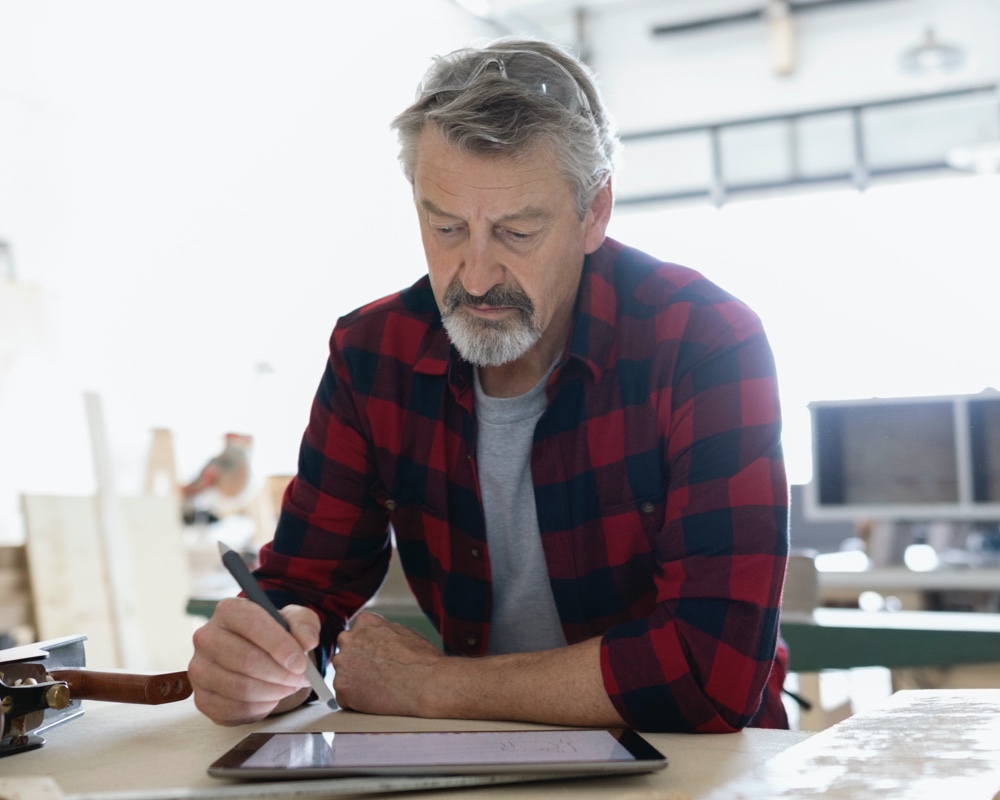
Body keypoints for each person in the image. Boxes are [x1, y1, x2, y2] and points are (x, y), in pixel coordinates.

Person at [188, 37, 790, 733]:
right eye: (445, 226)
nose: (474, 277)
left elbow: (710, 670)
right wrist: (264, 660)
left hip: (695, 769)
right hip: (481, 761)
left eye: (517, 232)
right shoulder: (371, 356)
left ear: (594, 213)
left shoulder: (705, 343)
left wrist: (434, 687)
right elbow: (304, 589)